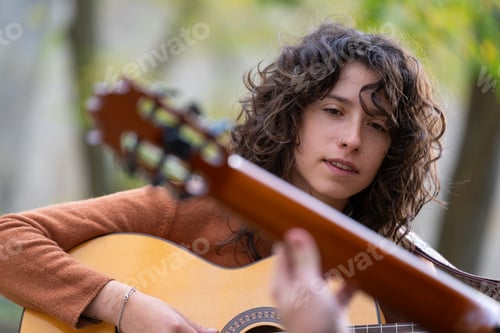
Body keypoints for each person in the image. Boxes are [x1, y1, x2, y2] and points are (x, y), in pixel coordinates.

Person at [0, 21, 446, 333]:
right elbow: (8, 240)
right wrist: (126, 306)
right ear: (293, 118)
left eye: (377, 125)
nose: (352, 139)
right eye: (333, 111)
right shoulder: (194, 209)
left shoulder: (393, 278)